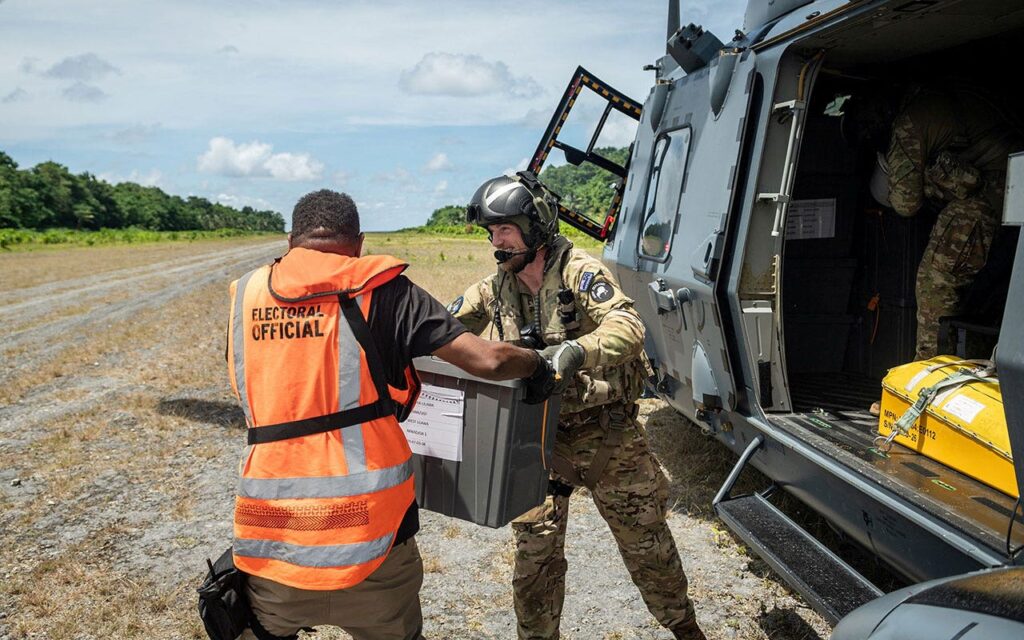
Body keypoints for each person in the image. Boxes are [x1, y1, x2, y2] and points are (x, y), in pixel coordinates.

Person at [225, 189, 554, 640]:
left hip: (271, 541)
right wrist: (539, 364)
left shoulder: (246, 296)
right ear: (359, 244)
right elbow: (488, 361)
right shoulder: (381, 288)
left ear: (290, 242)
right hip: (372, 540)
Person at [449, 172, 706, 640]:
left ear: (535, 226)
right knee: (535, 562)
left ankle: (686, 630)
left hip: (606, 434)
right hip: (537, 439)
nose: (497, 242)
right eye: (492, 233)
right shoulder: (496, 287)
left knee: (648, 548)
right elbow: (443, 325)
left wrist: (573, 352)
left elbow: (628, 325)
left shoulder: (580, 272)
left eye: (504, 230)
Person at [871, 84, 1021, 359]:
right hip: (1008, 190)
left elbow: (905, 204)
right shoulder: (947, 98)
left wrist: (920, 182)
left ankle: (930, 371)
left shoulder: (911, 120)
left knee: (935, 280)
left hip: (995, 192)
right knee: (979, 294)